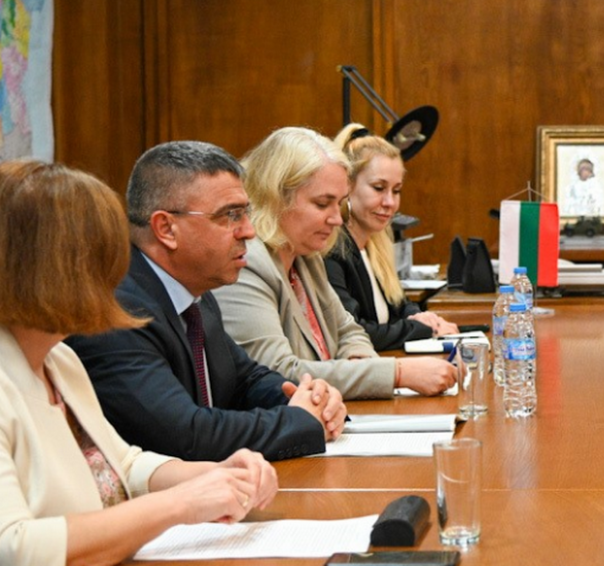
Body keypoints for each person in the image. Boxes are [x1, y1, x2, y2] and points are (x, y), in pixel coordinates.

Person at [0, 161, 277, 566]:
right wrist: (181, 505)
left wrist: (216, 474)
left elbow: (122, 466)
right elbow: (15, 554)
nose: (117, 276)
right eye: (100, 258)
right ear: (42, 269)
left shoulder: (59, 358)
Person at [67, 142, 345, 462]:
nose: (249, 231)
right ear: (166, 229)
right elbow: (186, 435)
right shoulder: (117, 311)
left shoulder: (195, 290)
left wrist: (314, 399)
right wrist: (300, 421)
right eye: (230, 215)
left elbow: (246, 380)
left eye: (246, 213)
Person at [212, 126, 456, 397]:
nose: (337, 219)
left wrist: (360, 365)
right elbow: (277, 374)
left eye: (338, 204)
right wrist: (396, 374)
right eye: (322, 204)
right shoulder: (246, 264)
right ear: (276, 197)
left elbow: (350, 331)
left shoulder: (306, 258)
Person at [326, 124, 459, 351]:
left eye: (396, 191)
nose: (390, 202)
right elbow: (355, 331)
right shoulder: (332, 250)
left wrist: (422, 317)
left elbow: (400, 304)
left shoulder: (376, 245)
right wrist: (425, 329)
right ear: (346, 186)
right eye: (379, 188)